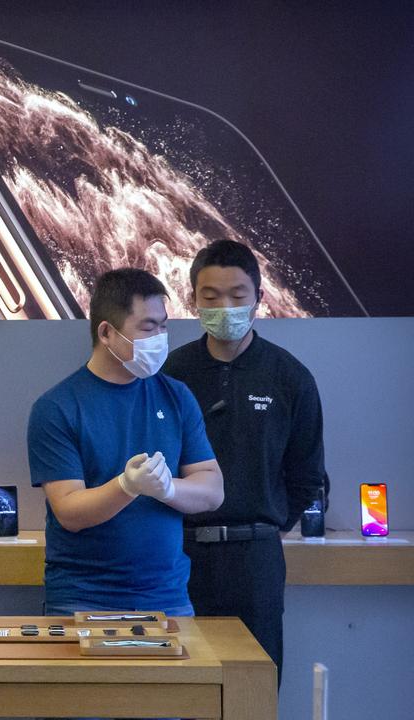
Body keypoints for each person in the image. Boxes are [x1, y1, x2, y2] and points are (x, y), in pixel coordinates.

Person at [163, 239, 327, 684]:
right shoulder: (172, 374)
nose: (225, 307)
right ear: (192, 300)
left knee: (252, 686)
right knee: (180, 686)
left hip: (255, 557)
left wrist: (263, 522)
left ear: (259, 298)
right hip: (179, 552)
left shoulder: (288, 375)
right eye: (211, 297)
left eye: (238, 296)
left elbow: (307, 475)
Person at [27, 268, 224, 618]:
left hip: (167, 598)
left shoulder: (176, 397)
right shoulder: (57, 407)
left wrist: (166, 489)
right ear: (107, 332)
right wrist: (126, 486)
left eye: (164, 326)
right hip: (82, 600)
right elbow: (69, 511)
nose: (161, 337)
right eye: (148, 327)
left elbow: (212, 490)